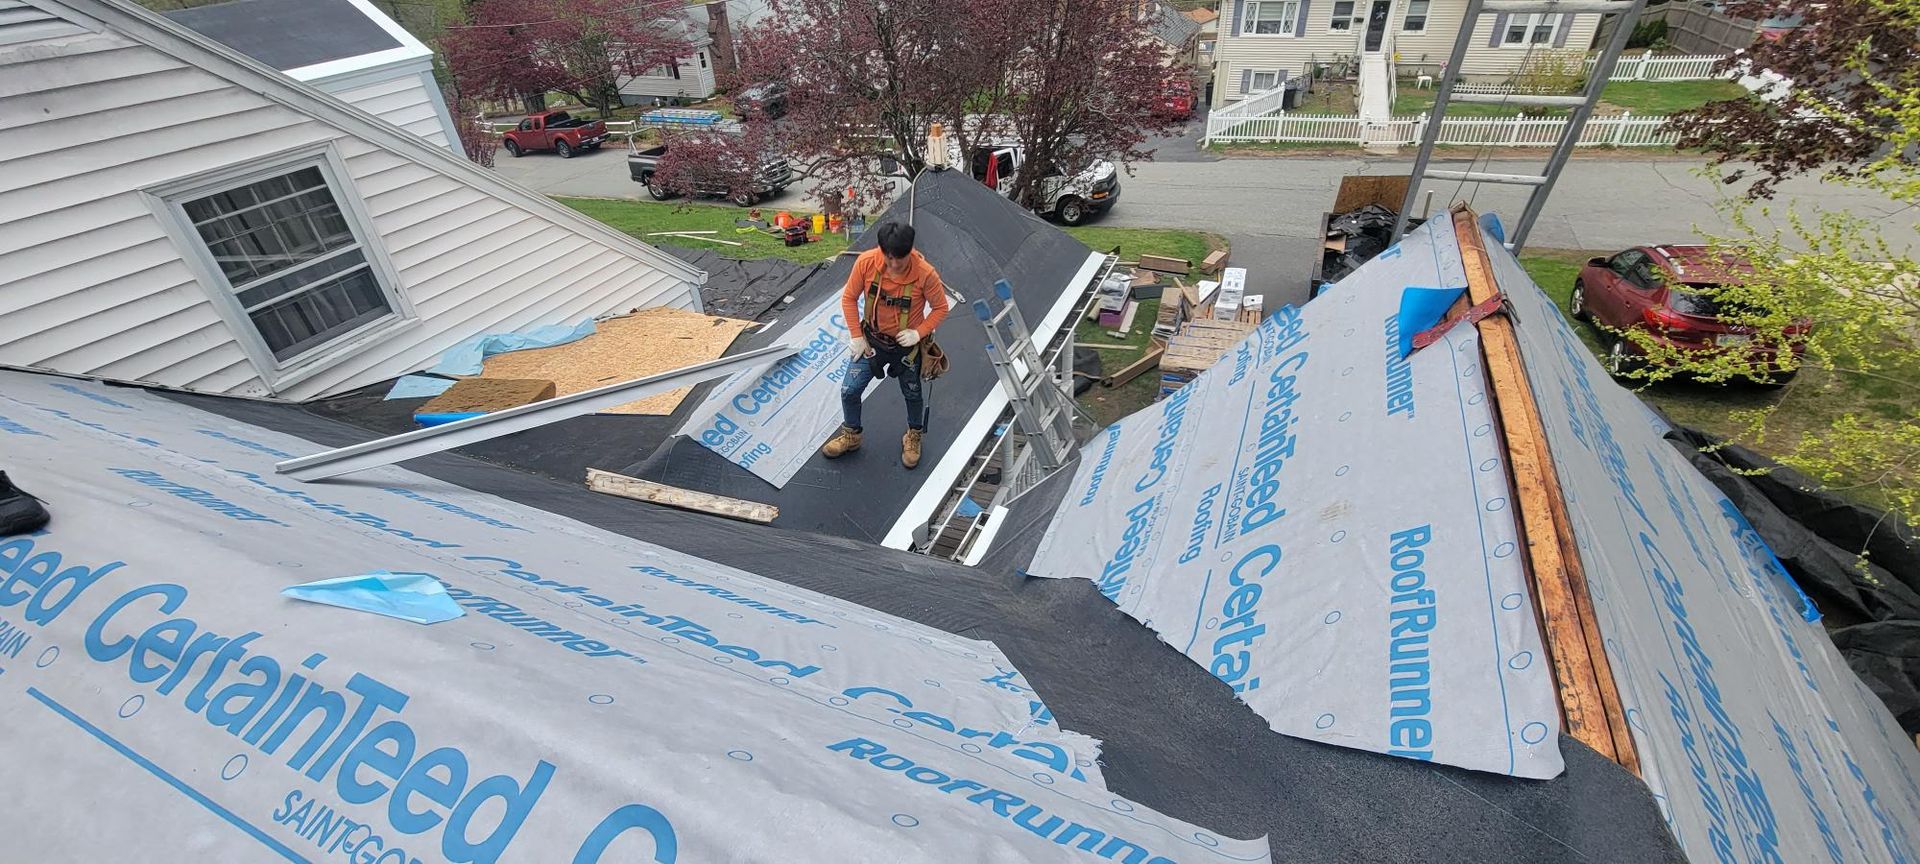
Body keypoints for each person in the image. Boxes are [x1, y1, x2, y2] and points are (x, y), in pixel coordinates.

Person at [821, 222, 950, 468]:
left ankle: (913, 435)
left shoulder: (926, 274)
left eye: (898, 262)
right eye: (888, 259)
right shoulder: (867, 262)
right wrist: (856, 335)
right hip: (872, 342)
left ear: (909, 251)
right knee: (849, 390)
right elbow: (849, 297)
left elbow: (941, 307)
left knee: (912, 393)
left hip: (906, 349)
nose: (892, 266)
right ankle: (852, 435)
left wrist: (919, 332)